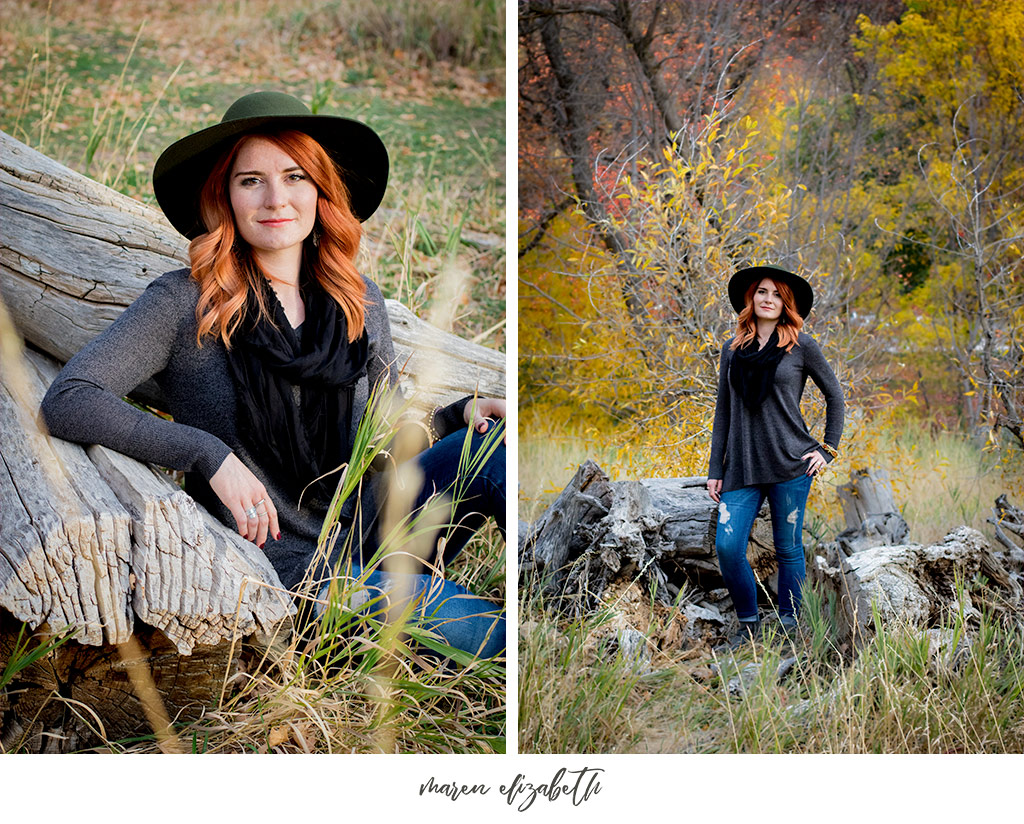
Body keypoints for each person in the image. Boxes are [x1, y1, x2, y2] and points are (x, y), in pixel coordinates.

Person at [41, 91, 505, 658]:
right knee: (493, 635)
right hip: (290, 569)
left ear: (320, 191)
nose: (276, 198)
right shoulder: (186, 303)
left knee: (498, 443)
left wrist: (457, 415)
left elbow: (385, 439)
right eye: (251, 180)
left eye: (294, 176)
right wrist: (207, 454)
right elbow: (71, 398)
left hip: (376, 524)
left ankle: (564, 588)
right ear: (224, 196)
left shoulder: (356, 299)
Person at [706, 265, 844, 648]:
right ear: (751, 298)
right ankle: (749, 624)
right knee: (728, 547)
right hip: (742, 466)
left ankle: (789, 628)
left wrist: (827, 449)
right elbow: (724, 411)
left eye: (777, 295)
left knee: (788, 548)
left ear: (787, 304)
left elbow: (835, 396)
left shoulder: (802, 346)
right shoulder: (732, 351)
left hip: (791, 464)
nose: (769, 299)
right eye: (762, 292)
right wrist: (715, 468)